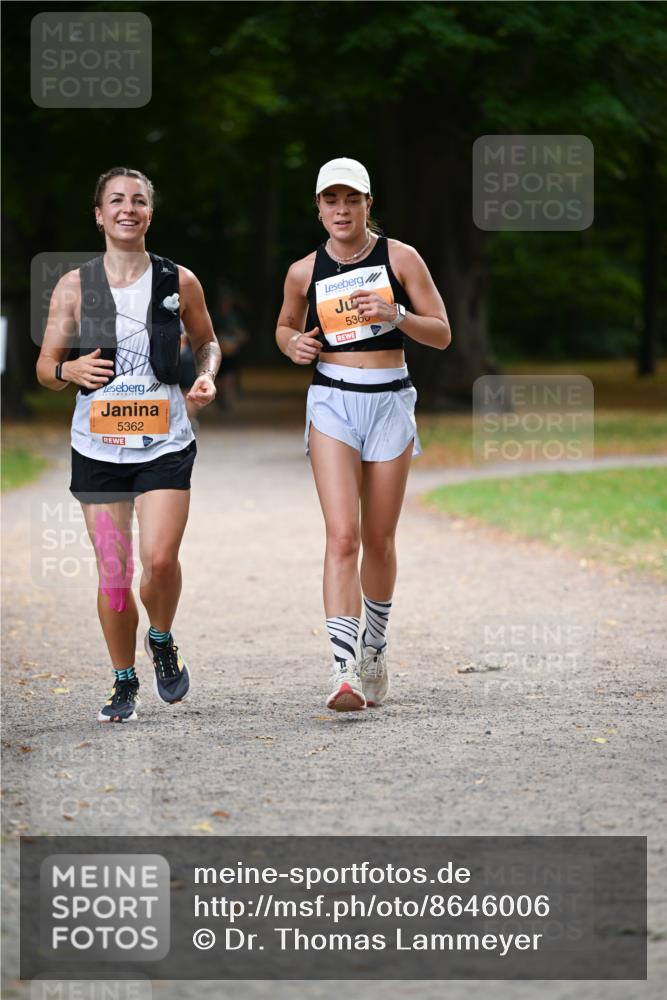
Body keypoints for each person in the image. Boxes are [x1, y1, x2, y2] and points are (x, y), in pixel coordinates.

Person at [36, 167, 221, 723]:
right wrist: (69, 366)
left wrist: (207, 374)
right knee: (114, 576)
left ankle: (160, 638)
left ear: (149, 213)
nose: (127, 209)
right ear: (99, 214)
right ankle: (123, 681)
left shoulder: (178, 280)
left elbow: (208, 342)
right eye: (116, 200)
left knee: (159, 561)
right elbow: (45, 368)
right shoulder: (74, 285)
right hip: (97, 446)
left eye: (138, 201)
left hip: (165, 440)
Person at [276, 157, 451, 712]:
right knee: (342, 536)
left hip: (390, 401)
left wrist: (396, 313)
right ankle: (343, 668)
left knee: (378, 539)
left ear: (368, 204)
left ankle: (375, 646)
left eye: (352, 199)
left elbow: (443, 334)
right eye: (331, 200)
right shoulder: (304, 271)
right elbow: (283, 328)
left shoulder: (400, 257)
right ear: (319, 207)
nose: (341, 209)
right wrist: (292, 346)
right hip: (332, 401)